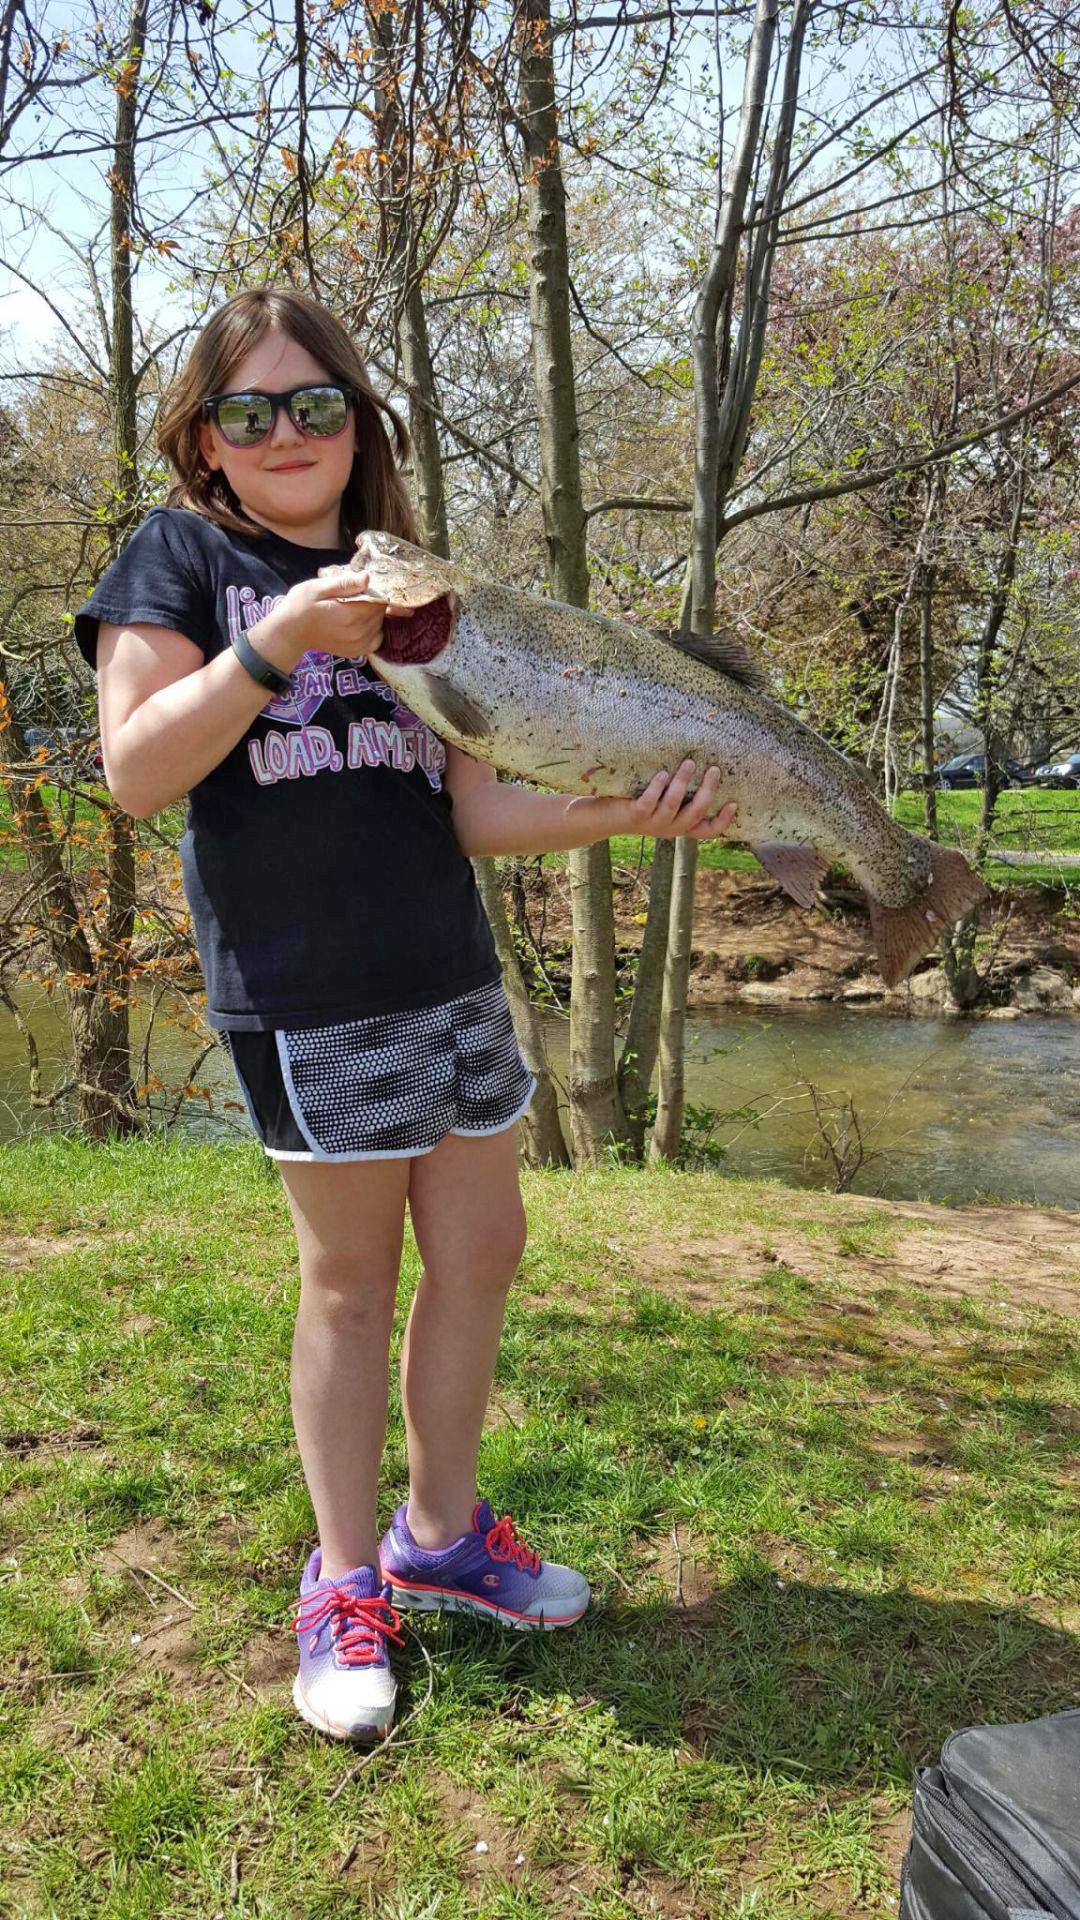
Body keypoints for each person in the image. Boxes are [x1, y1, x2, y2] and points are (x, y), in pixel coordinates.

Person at [76, 286, 737, 1744]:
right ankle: (343, 1580)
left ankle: (443, 1538)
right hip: (310, 995)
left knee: (487, 1247)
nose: (286, 432)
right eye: (249, 410)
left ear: (359, 426)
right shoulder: (180, 557)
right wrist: (276, 644)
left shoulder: (415, 590)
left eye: (317, 404)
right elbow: (134, 770)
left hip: (447, 969)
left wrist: (639, 804)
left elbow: (477, 807)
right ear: (204, 438)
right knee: (350, 1285)